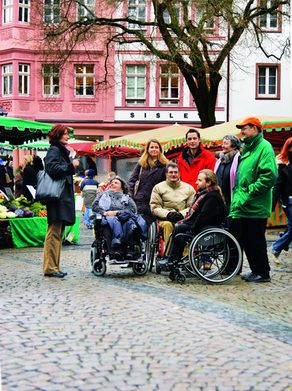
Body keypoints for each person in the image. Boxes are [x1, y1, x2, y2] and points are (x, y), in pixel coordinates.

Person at [229, 117, 277, 283]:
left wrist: (249, 192)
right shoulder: (248, 148)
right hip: (246, 204)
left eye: (245, 128)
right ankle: (256, 270)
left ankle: (263, 273)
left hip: (255, 205)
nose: (242, 132)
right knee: (248, 240)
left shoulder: (264, 148)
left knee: (256, 240)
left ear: (255, 129)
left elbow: (269, 176)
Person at [157, 169, 226, 269]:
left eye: (199, 180)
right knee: (179, 228)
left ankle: (173, 259)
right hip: (202, 225)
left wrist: (192, 227)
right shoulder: (204, 194)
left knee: (180, 229)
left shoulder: (212, 197)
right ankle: (172, 258)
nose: (196, 182)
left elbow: (203, 216)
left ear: (208, 183)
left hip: (206, 227)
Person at [43, 125, 80, 278]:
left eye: (67, 134)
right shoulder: (54, 150)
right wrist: (71, 165)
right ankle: (50, 267)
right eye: (64, 134)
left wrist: (70, 162)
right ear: (57, 135)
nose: (67, 136)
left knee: (58, 233)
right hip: (57, 198)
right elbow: (52, 169)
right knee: (54, 233)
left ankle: (54, 266)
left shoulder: (60, 150)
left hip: (61, 198)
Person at [92, 176, 147, 261]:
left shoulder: (127, 198)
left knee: (130, 224)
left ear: (122, 187)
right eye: (111, 183)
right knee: (107, 224)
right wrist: (104, 213)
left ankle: (129, 250)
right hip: (107, 217)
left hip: (123, 217)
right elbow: (95, 206)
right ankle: (114, 251)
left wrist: (117, 213)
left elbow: (132, 210)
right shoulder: (102, 195)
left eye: (116, 183)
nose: (112, 184)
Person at [150, 162, 195, 247]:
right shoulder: (158, 187)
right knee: (168, 225)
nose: (173, 174)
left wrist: (181, 214)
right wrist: (168, 214)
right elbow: (154, 207)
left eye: (175, 172)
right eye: (171, 172)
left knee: (183, 226)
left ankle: (185, 253)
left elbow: (192, 206)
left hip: (183, 218)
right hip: (165, 219)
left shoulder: (189, 188)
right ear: (166, 174)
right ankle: (169, 253)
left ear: (179, 174)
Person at [128, 139, 168, 225]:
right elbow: (132, 180)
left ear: (160, 150)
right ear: (148, 150)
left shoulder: (165, 165)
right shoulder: (141, 163)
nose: (154, 149)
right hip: (141, 199)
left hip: (157, 199)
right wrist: (130, 194)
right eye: (152, 147)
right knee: (140, 223)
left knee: (154, 224)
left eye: (156, 147)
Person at [271, 137, 292, 259]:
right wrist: (272, 205)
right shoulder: (281, 164)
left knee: (291, 227)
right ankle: (277, 247)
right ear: (289, 148)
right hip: (288, 200)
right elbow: (277, 186)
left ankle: (283, 236)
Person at [214, 135, 241, 215]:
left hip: (232, 198)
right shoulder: (220, 160)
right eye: (223, 143)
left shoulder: (239, 159)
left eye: (226, 143)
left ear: (234, 146)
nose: (223, 146)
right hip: (220, 199)